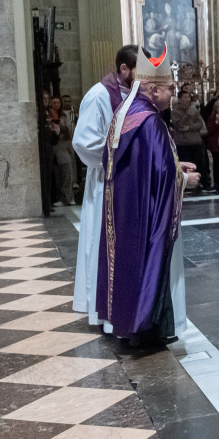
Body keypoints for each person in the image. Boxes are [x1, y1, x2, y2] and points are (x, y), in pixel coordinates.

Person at [97, 47, 200, 344]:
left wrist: (174, 163)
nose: (173, 94)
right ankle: (146, 332)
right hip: (146, 210)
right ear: (154, 90)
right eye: (170, 88)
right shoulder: (150, 120)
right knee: (149, 264)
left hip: (126, 206)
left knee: (129, 265)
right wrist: (185, 179)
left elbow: (142, 164)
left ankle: (132, 329)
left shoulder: (127, 113)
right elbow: (160, 173)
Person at [72, 44, 139, 331]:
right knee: (101, 246)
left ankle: (121, 308)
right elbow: (83, 142)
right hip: (104, 182)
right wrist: (125, 151)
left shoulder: (134, 95)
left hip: (128, 183)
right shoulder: (99, 95)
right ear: (124, 69)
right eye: (139, 71)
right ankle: (101, 311)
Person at [172, 90, 209, 192]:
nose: (187, 100)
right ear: (179, 99)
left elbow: (200, 124)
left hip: (196, 141)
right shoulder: (175, 111)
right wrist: (188, 115)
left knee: (200, 164)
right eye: (185, 97)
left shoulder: (193, 109)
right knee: (186, 166)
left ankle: (204, 183)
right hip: (183, 143)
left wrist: (189, 128)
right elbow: (179, 126)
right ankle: (187, 185)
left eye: (188, 97)